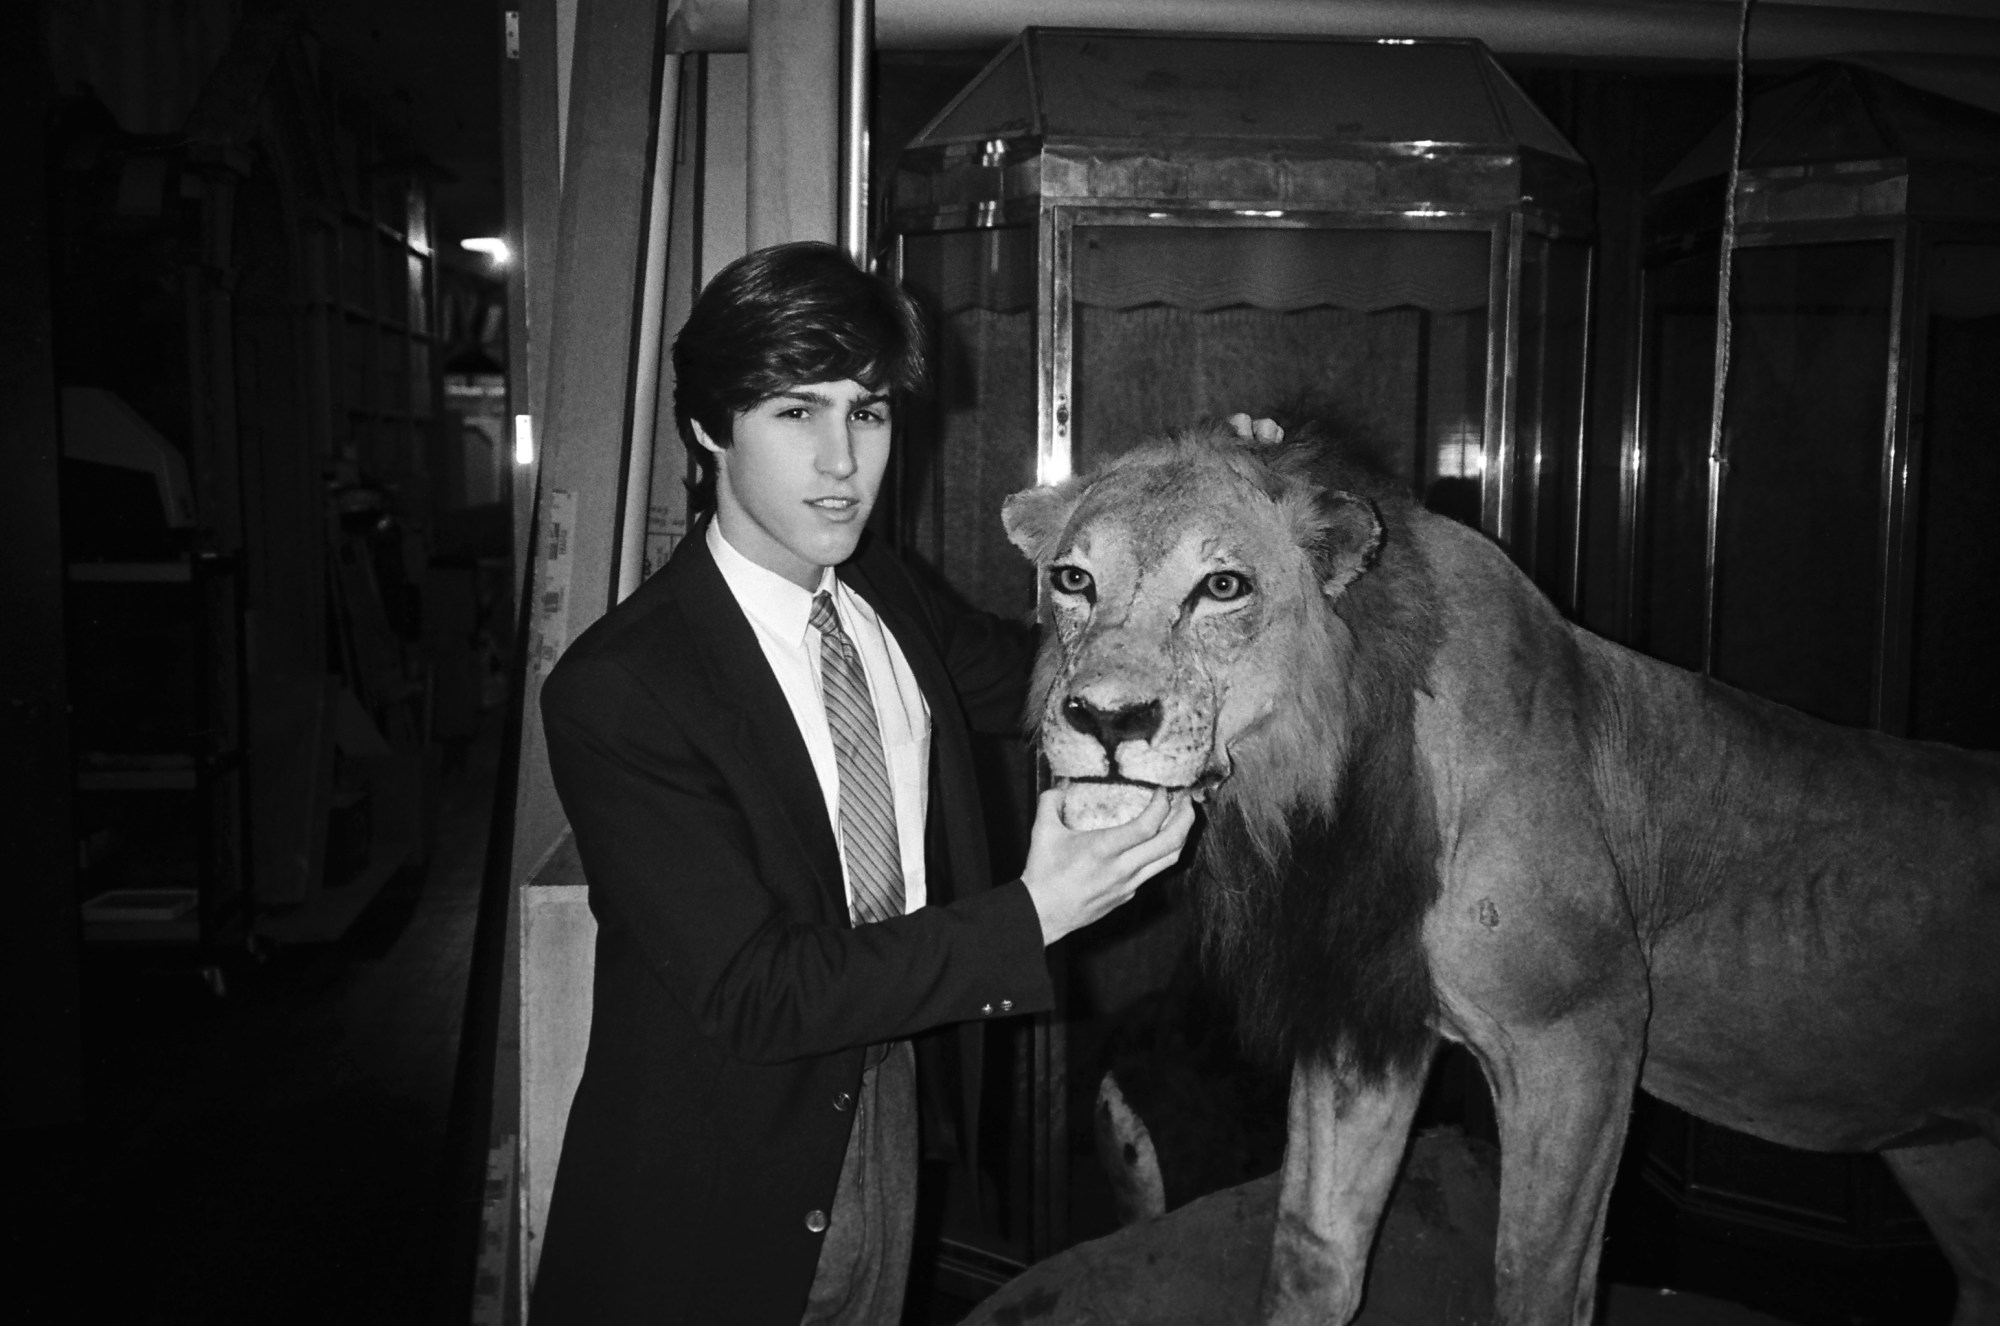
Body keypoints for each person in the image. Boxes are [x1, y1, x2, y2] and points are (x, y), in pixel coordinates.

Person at [530, 240, 1196, 1325]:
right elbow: (756, 992)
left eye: (869, 412)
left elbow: (1044, 680)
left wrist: (1206, 505)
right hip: (724, 1171)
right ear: (707, 427)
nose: (843, 461)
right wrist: (1034, 913)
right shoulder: (622, 689)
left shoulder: (877, 584)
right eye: (796, 413)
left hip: (891, 1096)